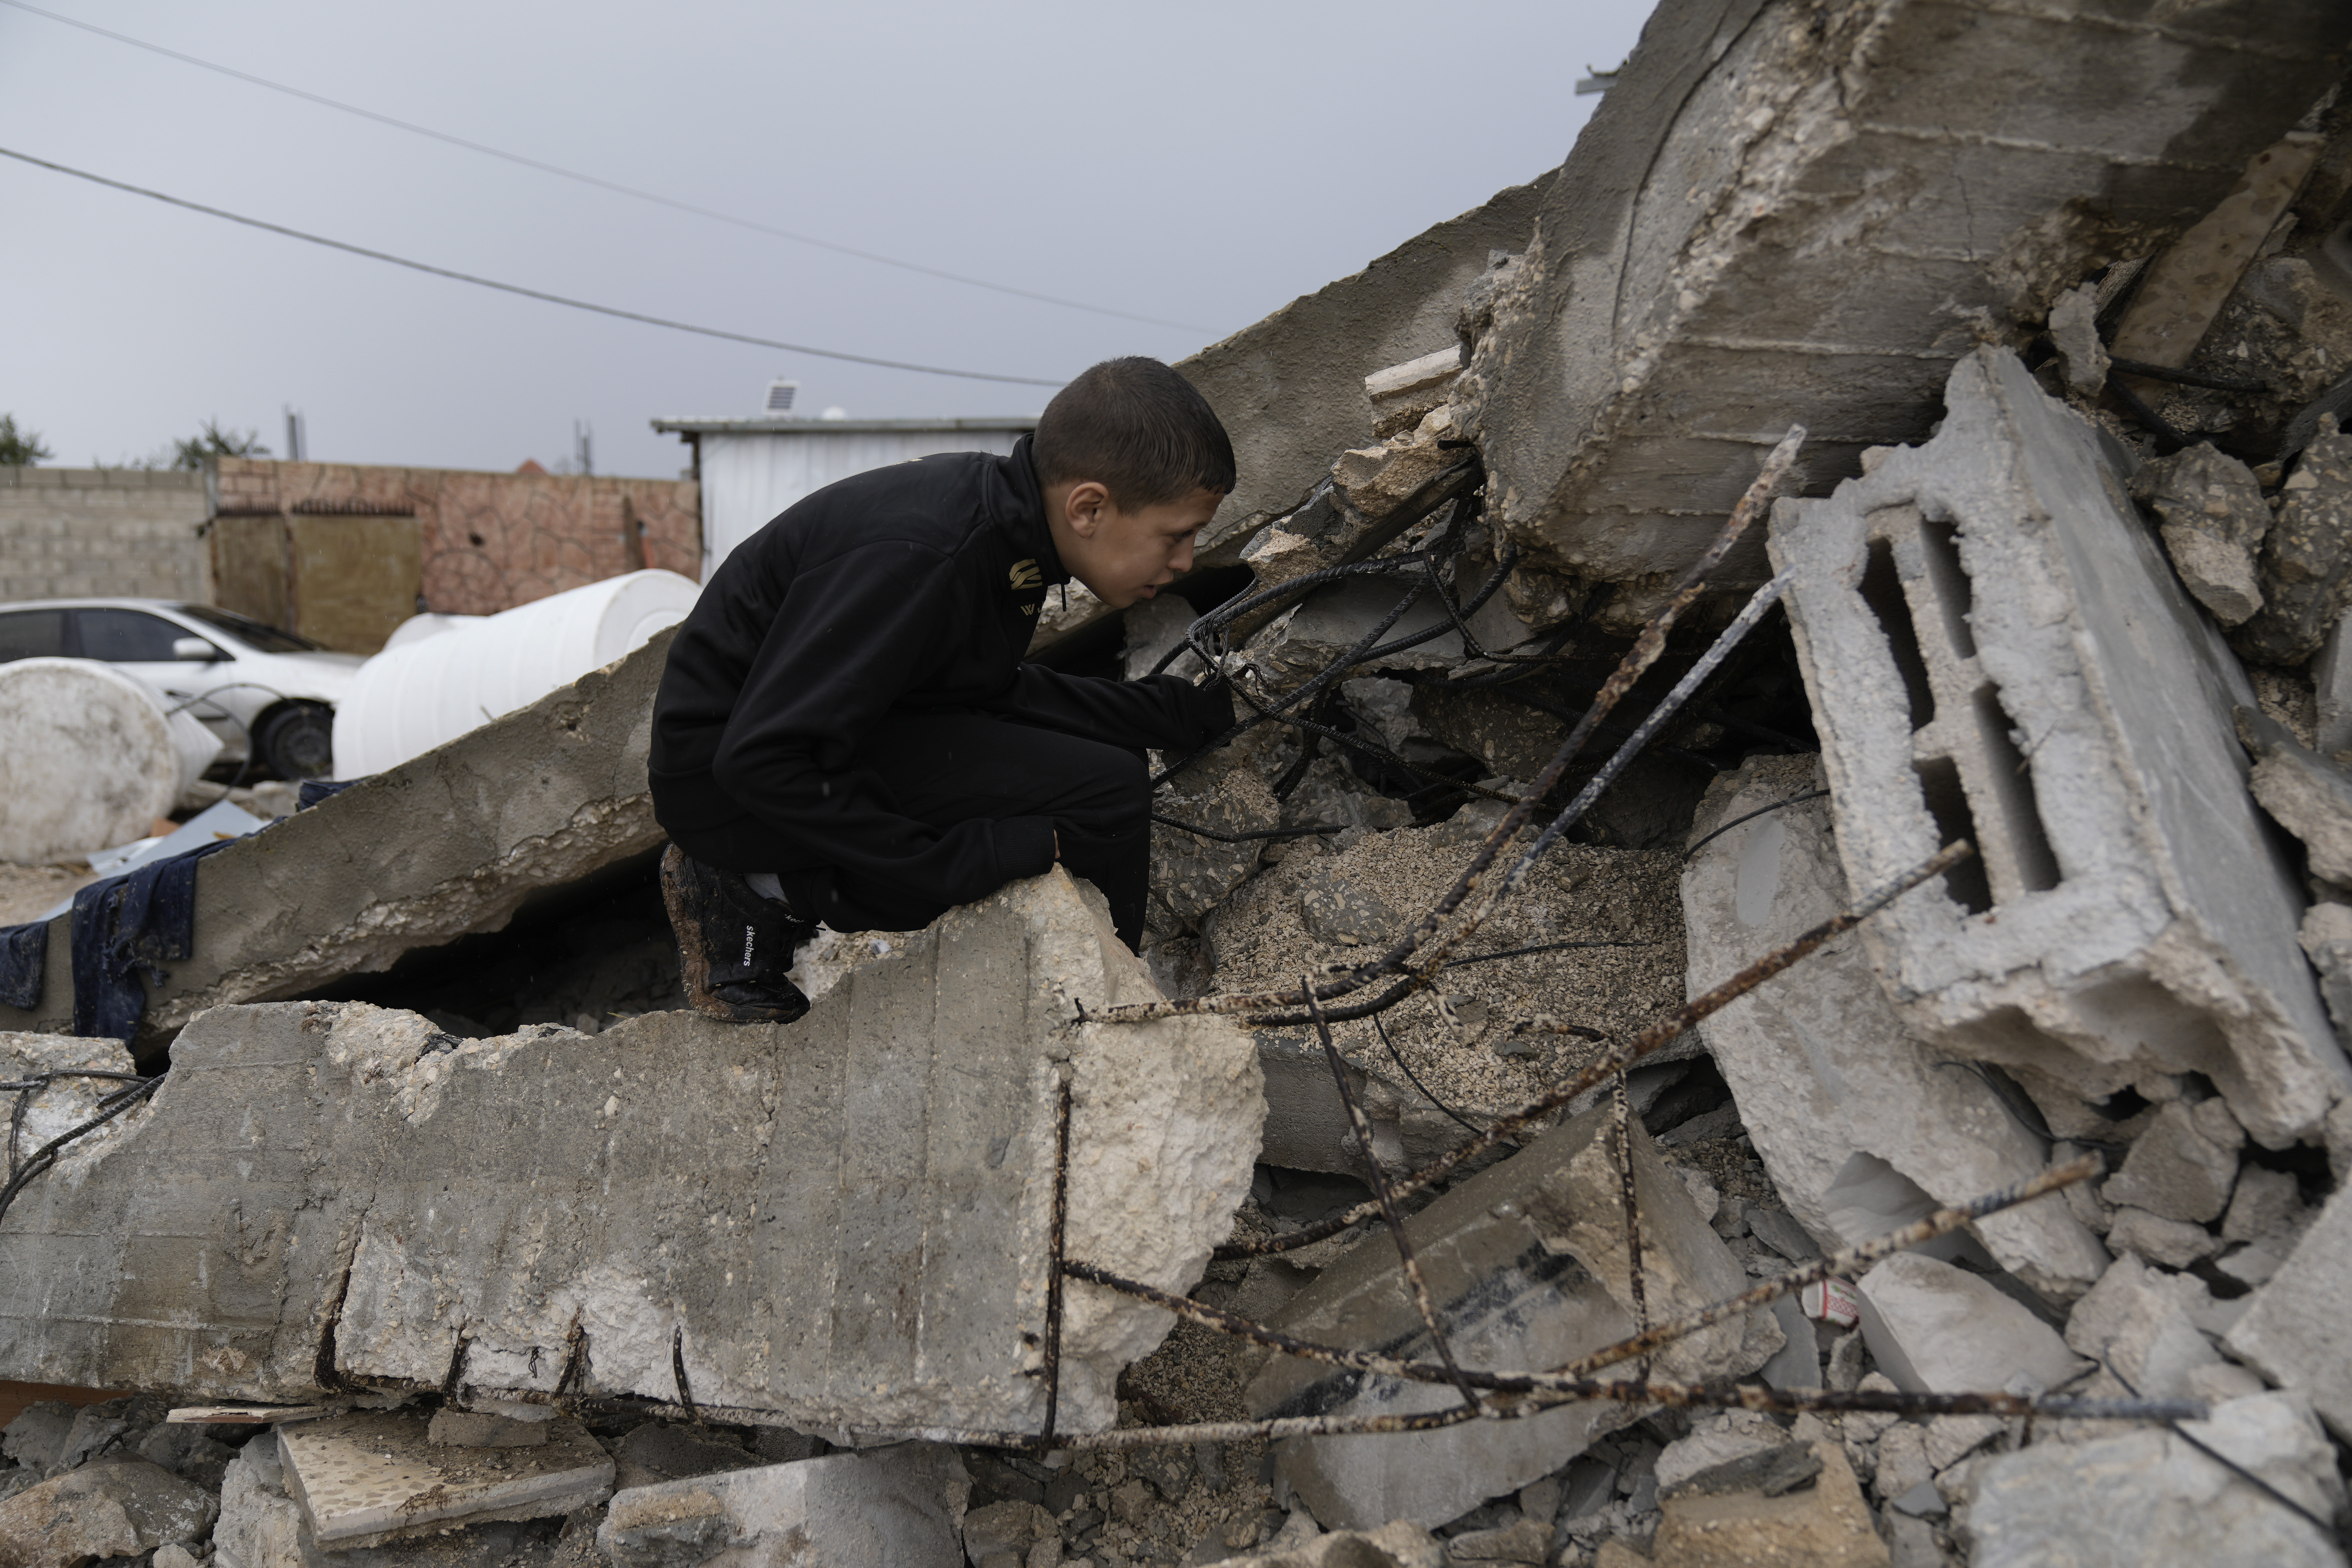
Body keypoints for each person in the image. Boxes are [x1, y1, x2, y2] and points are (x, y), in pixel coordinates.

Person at [648, 356, 1237, 1023]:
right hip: (732, 787)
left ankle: (1108, 1000)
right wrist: (968, 860)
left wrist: (1177, 715)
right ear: (1089, 507)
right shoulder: (931, 555)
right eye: (1177, 535)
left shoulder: (1005, 538)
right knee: (1102, 797)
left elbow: (988, 689)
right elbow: (763, 757)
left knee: (1107, 775)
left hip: (814, 738)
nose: (1187, 560)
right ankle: (757, 887)